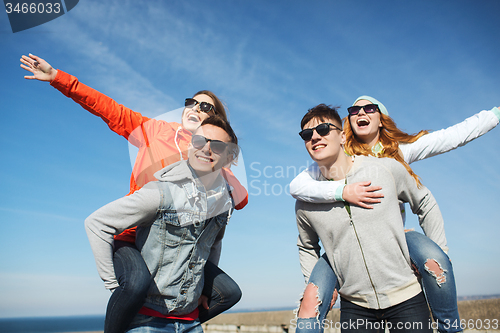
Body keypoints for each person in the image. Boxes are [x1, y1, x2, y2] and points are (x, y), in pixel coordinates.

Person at [20, 54, 247, 332]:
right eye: (191, 102)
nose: (194, 107)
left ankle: (181, 320)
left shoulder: (211, 157)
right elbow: (108, 108)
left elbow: (239, 199)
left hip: (180, 247)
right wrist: (58, 77)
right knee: (137, 284)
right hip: (135, 239)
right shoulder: (153, 130)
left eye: (205, 107)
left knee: (229, 292)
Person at [291, 95, 500, 333]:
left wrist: (494, 115)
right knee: (310, 301)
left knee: (437, 260)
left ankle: (450, 327)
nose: (361, 113)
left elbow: (450, 138)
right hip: (350, 275)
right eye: (354, 109)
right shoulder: (322, 172)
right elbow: (297, 188)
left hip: (396, 244)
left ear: (381, 119)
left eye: (369, 108)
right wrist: (342, 190)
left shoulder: (394, 158)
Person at [295, 104, 443, 332]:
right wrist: (320, 286)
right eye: (307, 134)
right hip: (355, 306)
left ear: (343, 136)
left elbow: (424, 202)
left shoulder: (384, 170)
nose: (315, 137)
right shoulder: (306, 201)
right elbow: (306, 246)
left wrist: (438, 255)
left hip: (406, 296)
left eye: (323, 129)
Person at [85, 116, 239, 332]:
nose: (206, 149)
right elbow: (97, 223)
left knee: (232, 292)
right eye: (199, 142)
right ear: (189, 146)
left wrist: (204, 289)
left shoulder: (224, 202)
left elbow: (214, 243)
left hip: (191, 323)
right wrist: (115, 288)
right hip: (148, 323)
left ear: (230, 156)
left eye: (217, 145)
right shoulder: (161, 193)